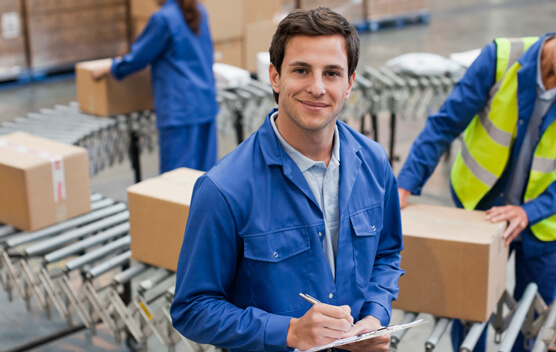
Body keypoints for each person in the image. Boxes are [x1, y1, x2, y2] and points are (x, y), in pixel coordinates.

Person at [170, 7, 404, 352]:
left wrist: (373, 315)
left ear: (350, 83)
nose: (317, 87)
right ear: (275, 77)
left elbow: (386, 254)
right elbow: (192, 308)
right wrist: (288, 332)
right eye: (301, 70)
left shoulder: (373, 162)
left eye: (333, 73)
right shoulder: (224, 189)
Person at [396, 5, 556, 352]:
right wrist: (405, 184)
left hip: (542, 226)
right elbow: (445, 124)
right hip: (480, 211)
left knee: (530, 322)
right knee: (467, 312)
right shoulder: (501, 59)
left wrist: (530, 211)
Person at [92, 0, 218, 173]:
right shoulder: (199, 11)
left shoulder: (163, 19)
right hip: (206, 104)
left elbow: (139, 57)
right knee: (206, 177)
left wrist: (112, 67)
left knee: (176, 180)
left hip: (180, 111)